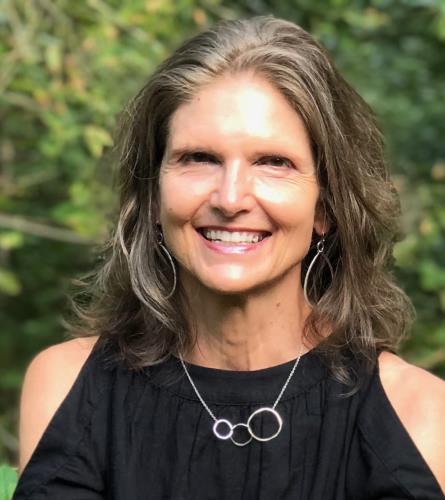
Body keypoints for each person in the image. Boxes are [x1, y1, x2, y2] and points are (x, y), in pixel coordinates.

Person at [13, 15, 445, 499]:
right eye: (199, 158)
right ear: (152, 196)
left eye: (273, 162)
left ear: (326, 206)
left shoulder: (417, 415)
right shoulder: (69, 386)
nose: (231, 198)